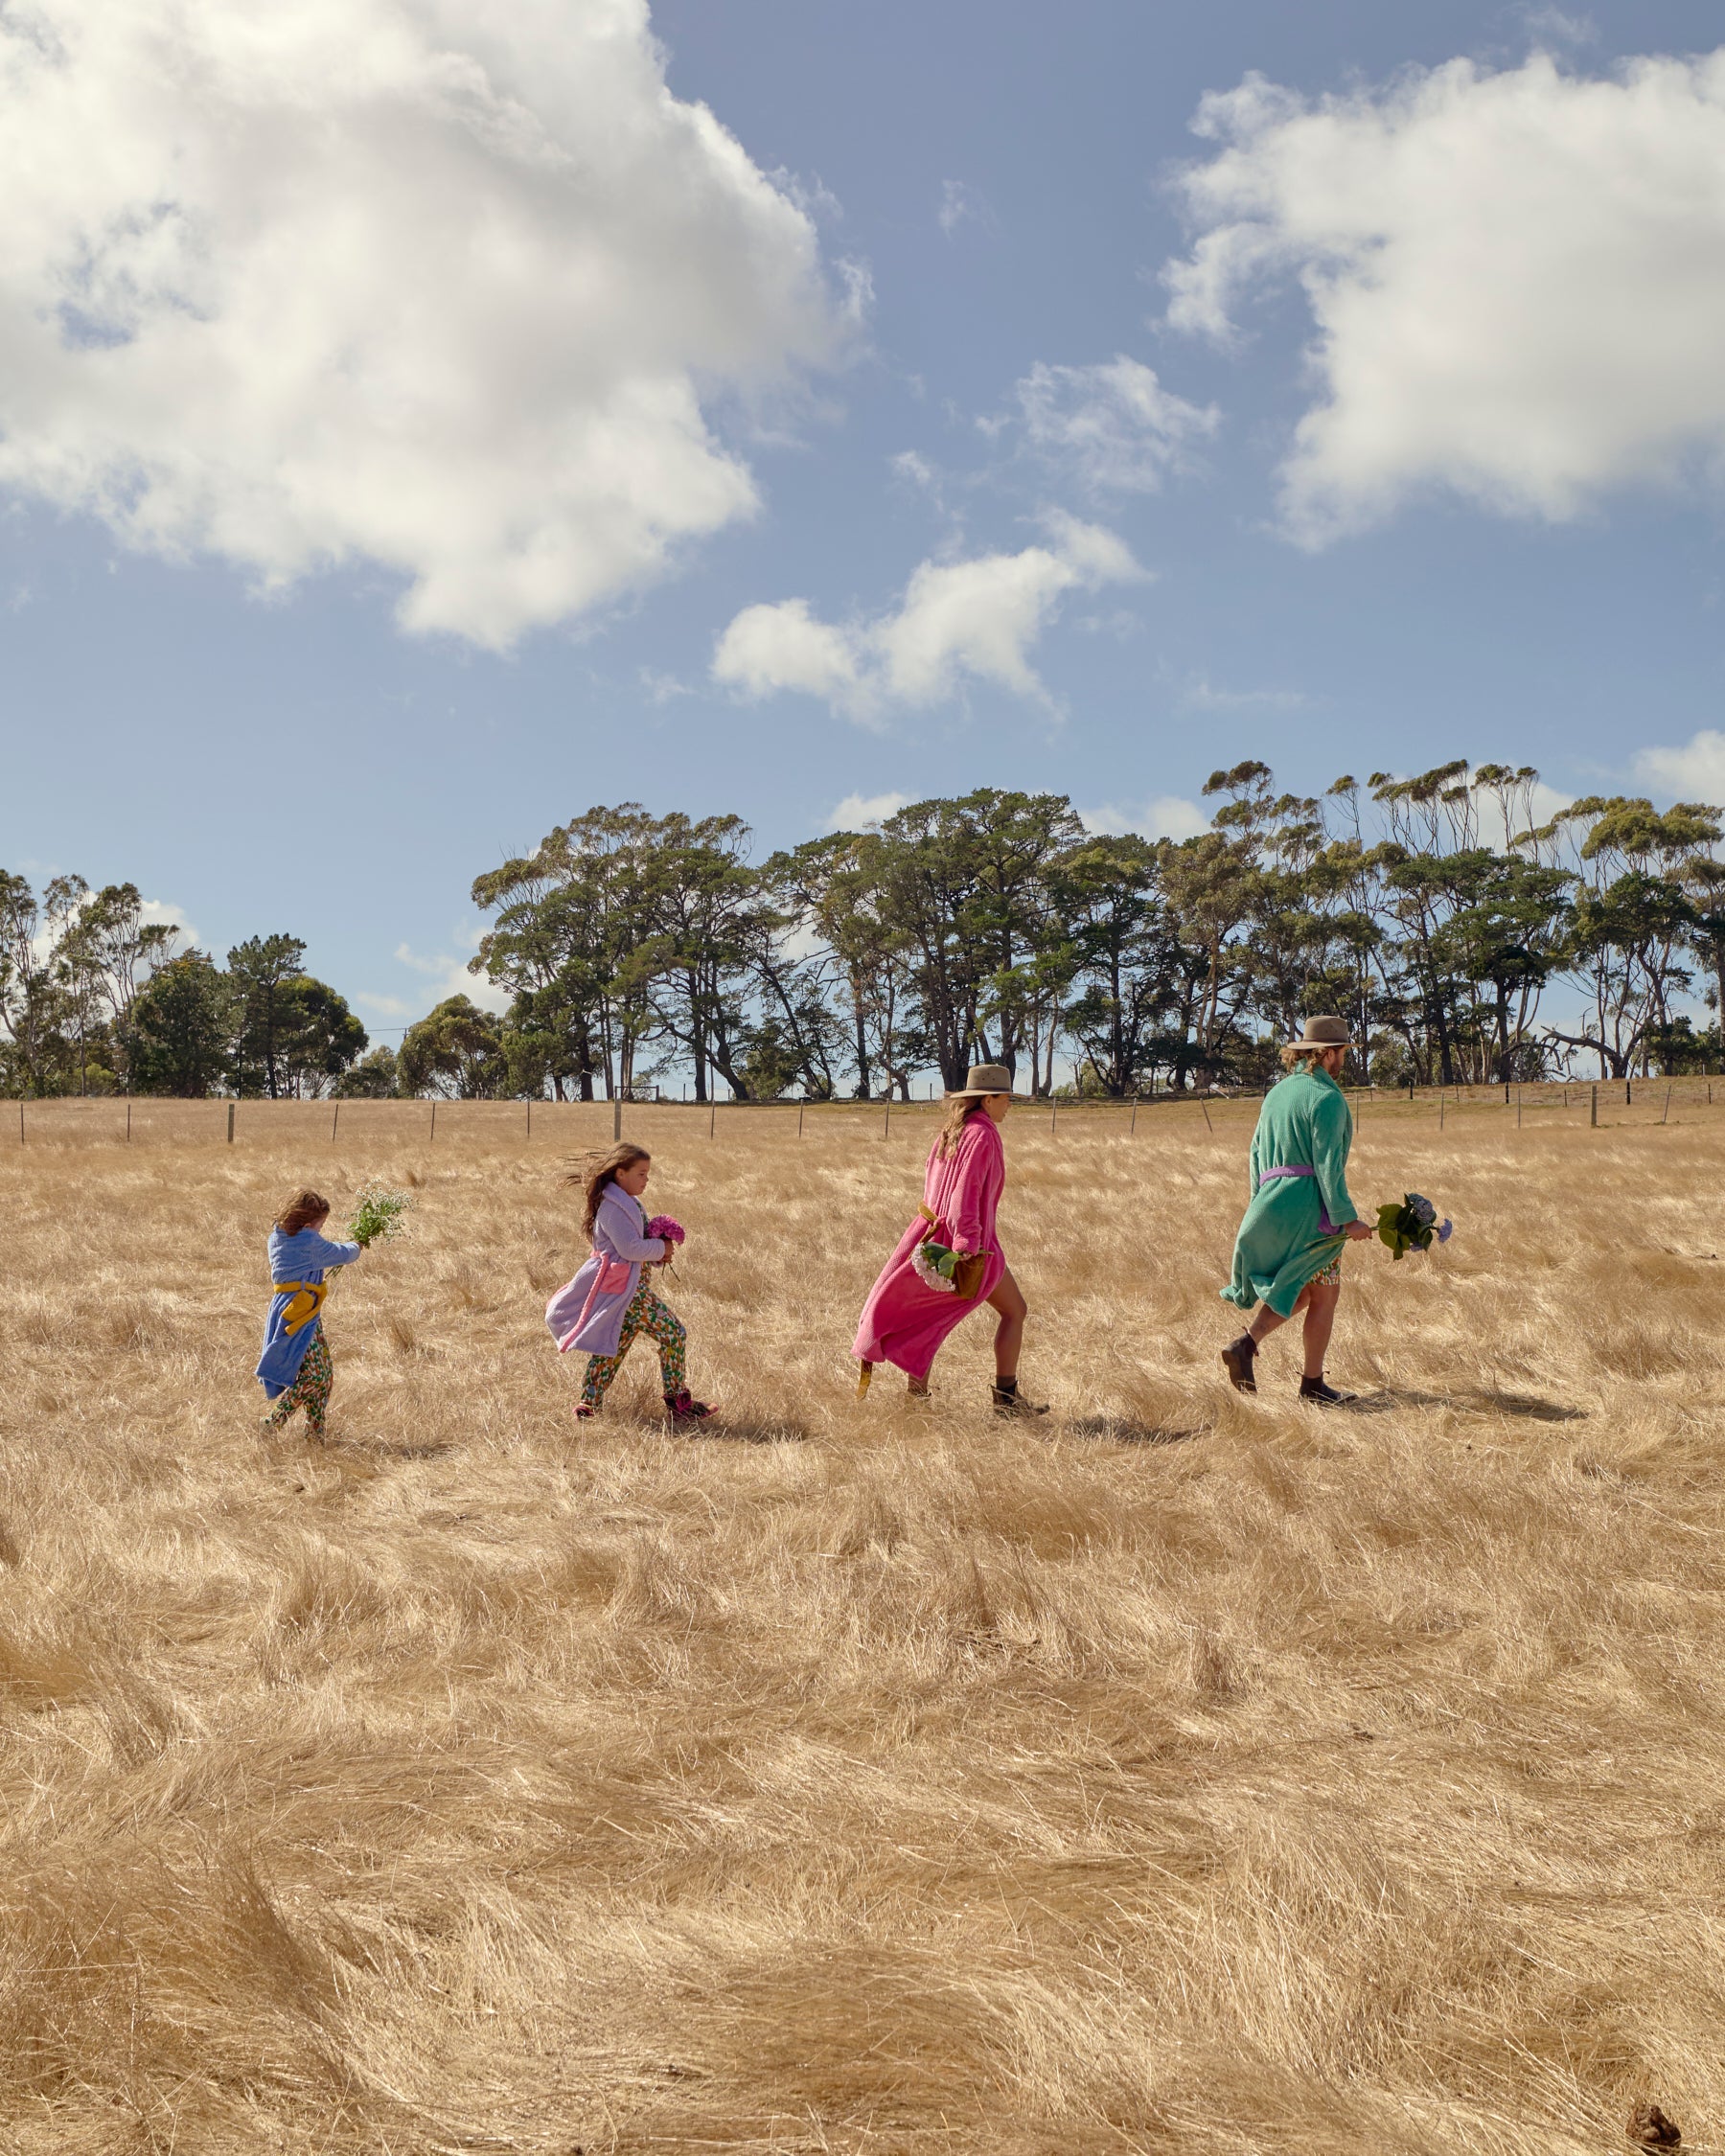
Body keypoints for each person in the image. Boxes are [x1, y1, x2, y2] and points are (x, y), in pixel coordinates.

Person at [853, 1063, 1046, 1416]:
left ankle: (918, 1401)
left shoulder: (954, 1129)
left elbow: (934, 1187)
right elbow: (965, 1193)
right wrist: (966, 1247)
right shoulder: (983, 1134)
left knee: (926, 1319)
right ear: (988, 1100)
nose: (1009, 1106)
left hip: (930, 1240)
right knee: (1014, 1311)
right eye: (1006, 1099)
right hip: (964, 1245)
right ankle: (1006, 1401)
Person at [1219, 1016, 1373, 1406]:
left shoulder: (1278, 1093)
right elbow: (1327, 1164)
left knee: (1299, 1290)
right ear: (1328, 1054)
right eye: (1342, 1053)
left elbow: (1255, 1151)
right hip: (1311, 1211)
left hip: (1272, 1201)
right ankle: (1312, 1386)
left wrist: (1262, 1202)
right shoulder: (1327, 1098)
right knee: (1324, 1296)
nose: (1343, 1061)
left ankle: (1246, 1344)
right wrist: (1346, 1218)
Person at [547, 1142, 716, 1427]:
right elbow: (629, 1248)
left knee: (614, 1344)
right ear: (620, 1173)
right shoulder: (613, 1208)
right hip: (630, 1291)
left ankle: (588, 1404)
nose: (646, 1179)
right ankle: (679, 1403)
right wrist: (660, 1248)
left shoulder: (627, 1203)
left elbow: (634, 1249)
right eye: (641, 1173)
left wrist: (658, 1251)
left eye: (647, 1173)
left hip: (624, 1287)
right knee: (674, 1334)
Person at [258, 1188, 362, 1440]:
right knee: (316, 1375)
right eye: (320, 1224)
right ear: (306, 1224)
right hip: (299, 1312)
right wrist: (359, 1244)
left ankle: (315, 1435)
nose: (320, 1230)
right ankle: (272, 1423)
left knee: (324, 1375)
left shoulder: (278, 1235)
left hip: (298, 1309)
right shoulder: (307, 1241)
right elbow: (342, 1254)